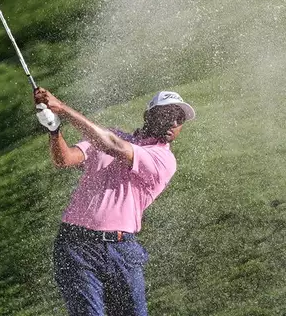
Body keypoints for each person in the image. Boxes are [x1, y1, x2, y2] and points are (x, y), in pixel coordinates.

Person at [33, 88, 195, 316]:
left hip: (122, 251)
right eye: (168, 114)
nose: (175, 123)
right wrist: (54, 129)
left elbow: (114, 147)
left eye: (180, 119)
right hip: (75, 246)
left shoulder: (163, 158)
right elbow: (65, 159)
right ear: (148, 115)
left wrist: (64, 109)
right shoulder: (111, 135)